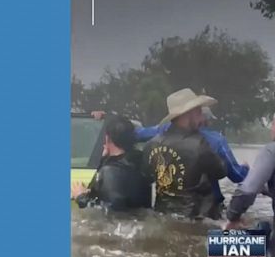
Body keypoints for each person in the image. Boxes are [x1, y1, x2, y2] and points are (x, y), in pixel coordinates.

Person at [134, 107, 249, 203]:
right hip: (202, 210)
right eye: (200, 114)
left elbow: (137, 135)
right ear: (202, 118)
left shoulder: (156, 137)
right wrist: (246, 169)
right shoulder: (214, 140)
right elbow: (234, 175)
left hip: (164, 208)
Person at [143, 88, 227, 219]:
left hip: (163, 214)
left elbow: (147, 177)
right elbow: (221, 172)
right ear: (189, 113)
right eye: (199, 112)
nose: (201, 118)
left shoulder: (151, 145)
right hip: (196, 216)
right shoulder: (199, 144)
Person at [226, 105, 275, 257]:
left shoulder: (273, 150)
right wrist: (261, 182)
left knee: (219, 246)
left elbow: (247, 191)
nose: (271, 130)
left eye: (273, 124)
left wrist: (232, 217)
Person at [71, 115, 151, 211]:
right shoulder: (143, 161)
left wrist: (81, 197)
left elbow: (110, 214)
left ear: (107, 138)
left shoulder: (110, 172)